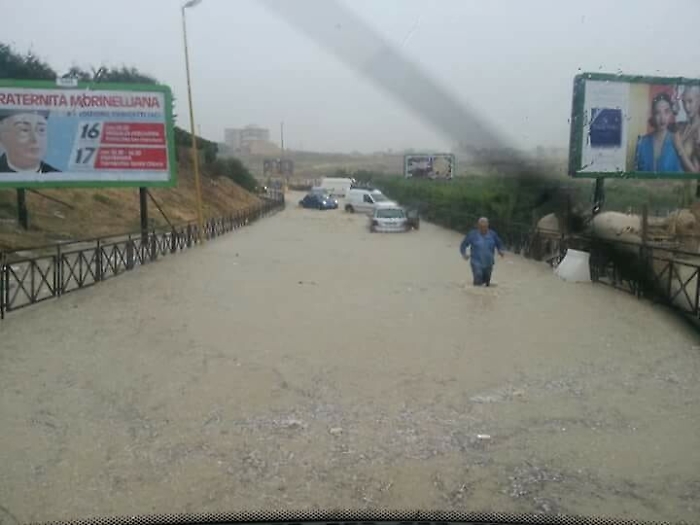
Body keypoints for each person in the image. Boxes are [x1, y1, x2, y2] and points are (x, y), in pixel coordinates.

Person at [634, 93, 682, 173]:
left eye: (666, 112)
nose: (662, 118)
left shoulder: (676, 141)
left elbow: (681, 176)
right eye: (658, 113)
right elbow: (636, 174)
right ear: (653, 115)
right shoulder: (642, 142)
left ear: (671, 113)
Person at [459, 217, 504, 286]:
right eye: (481, 227)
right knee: (478, 276)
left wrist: (500, 250)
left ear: (488, 226)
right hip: (476, 262)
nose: (483, 228)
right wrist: (464, 254)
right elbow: (463, 245)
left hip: (489, 263)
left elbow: (499, 243)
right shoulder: (472, 234)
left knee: (486, 283)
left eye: (485, 226)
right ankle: (475, 291)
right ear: (478, 226)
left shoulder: (493, 234)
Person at [673, 85, 700, 173]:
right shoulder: (682, 127)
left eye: (690, 101)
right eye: (683, 102)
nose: (686, 107)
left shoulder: (698, 130)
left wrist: (679, 147)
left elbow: (695, 173)